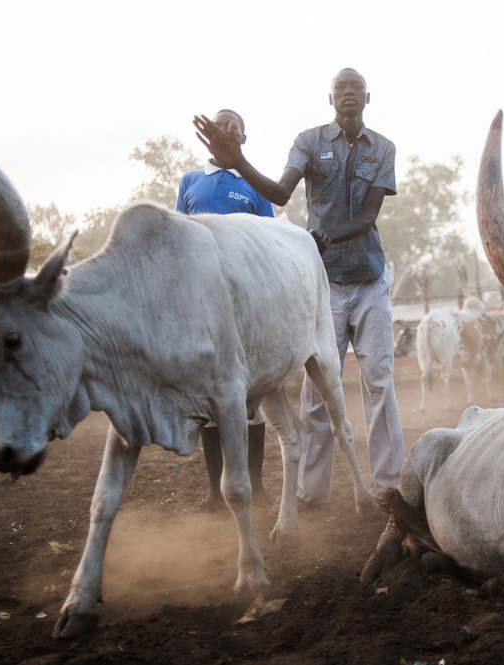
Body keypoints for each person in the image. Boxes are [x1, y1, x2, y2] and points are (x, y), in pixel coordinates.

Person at [195, 68, 404, 507]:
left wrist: (329, 235)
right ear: (330, 99)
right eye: (340, 89)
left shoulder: (383, 149)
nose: (348, 94)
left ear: (368, 97)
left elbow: (368, 217)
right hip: (319, 283)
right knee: (315, 387)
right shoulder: (309, 142)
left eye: (356, 88)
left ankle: (388, 488)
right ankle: (313, 492)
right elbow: (281, 192)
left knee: (379, 382)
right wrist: (239, 164)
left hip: (367, 277)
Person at [176, 109, 273, 510]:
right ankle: (215, 491)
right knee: (210, 400)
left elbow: (269, 241)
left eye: (235, 129)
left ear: (243, 141)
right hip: (202, 304)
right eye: (221, 125)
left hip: (245, 302)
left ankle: (256, 484)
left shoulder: (254, 185)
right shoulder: (190, 182)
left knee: (250, 397)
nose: (226, 131)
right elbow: (178, 237)